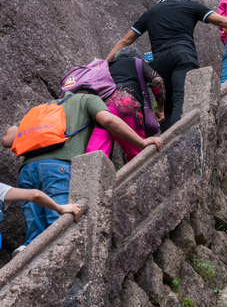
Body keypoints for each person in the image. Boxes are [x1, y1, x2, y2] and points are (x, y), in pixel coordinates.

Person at [2, 90, 162, 250]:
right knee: (59, 230)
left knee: (35, 235)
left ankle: (28, 252)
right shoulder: (87, 99)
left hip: (26, 170)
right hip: (58, 167)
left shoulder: (42, 107)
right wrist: (141, 142)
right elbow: (108, 120)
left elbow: (7, 139)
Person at [107, 0, 227, 130]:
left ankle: (165, 142)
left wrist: (104, 63)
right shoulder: (191, 6)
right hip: (183, 57)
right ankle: (177, 143)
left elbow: (125, 40)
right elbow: (225, 21)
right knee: (181, 101)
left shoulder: (150, 12)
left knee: (166, 105)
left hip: (159, 63)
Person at [85, 47, 166, 161]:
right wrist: (160, 109)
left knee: (94, 157)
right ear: (134, 57)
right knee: (139, 156)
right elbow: (157, 81)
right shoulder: (135, 61)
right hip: (126, 104)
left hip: (103, 109)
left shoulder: (105, 67)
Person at [0, 183, 82, 256]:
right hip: (53, 170)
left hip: (25, 172)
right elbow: (35, 195)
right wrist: (60, 208)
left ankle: (29, 246)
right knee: (60, 234)